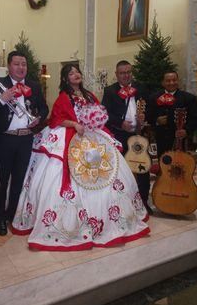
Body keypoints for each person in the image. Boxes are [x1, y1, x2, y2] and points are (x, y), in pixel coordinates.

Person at [11, 63, 149, 250]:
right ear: (65, 79)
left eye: (77, 71)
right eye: (71, 73)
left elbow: (101, 113)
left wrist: (97, 120)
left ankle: (110, 220)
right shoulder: (63, 97)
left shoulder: (90, 95)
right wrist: (74, 124)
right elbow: (56, 119)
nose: (75, 74)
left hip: (94, 137)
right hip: (72, 138)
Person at [0, 51, 49, 236]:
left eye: (24, 64)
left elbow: (44, 108)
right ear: (8, 66)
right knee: (2, 181)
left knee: (19, 180)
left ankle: (11, 214)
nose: (21, 67)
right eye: (17, 64)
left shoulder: (34, 86)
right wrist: (2, 99)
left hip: (26, 138)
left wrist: (38, 118)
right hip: (5, 138)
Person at [102, 60, 152, 214]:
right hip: (120, 136)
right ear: (116, 74)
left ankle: (143, 201)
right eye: (122, 73)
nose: (126, 75)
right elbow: (105, 113)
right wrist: (120, 123)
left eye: (128, 72)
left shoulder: (140, 88)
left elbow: (150, 106)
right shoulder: (110, 91)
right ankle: (122, 202)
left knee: (143, 168)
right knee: (121, 171)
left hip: (138, 135)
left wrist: (145, 116)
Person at [147, 71, 197, 158]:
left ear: (178, 81)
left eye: (174, 80)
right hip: (161, 139)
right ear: (163, 83)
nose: (171, 83)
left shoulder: (189, 98)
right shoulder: (154, 97)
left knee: (181, 167)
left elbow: (195, 119)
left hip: (181, 140)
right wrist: (157, 120)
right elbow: (148, 116)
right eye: (168, 81)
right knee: (164, 164)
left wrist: (186, 130)